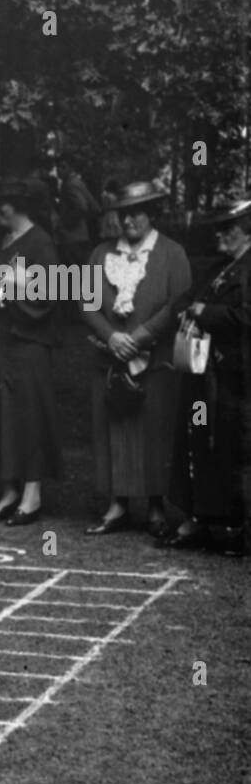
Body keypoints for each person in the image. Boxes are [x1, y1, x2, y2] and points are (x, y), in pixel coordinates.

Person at [81, 180, 191, 537]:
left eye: (137, 213)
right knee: (114, 427)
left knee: (154, 428)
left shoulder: (172, 253)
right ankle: (118, 504)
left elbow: (179, 303)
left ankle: (157, 506)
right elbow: (87, 302)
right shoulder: (100, 254)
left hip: (155, 357)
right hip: (110, 355)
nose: (129, 220)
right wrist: (112, 337)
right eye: (124, 213)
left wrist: (142, 337)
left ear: (152, 214)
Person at [162, 197, 251, 554]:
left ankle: (240, 529)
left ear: (247, 229)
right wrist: (190, 309)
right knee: (198, 440)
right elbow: (183, 302)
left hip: (238, 380)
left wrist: (205, 312)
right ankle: (199, 518)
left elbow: (246, 318)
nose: (220, 235)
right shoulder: (218, 268)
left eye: (227, 228)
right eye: (217, 229)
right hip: (203, 377)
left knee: (237, 450)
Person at [0, 177, 62, 525]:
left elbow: (52, 293)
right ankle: (8, 488)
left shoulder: (41, 243)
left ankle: (32, 493)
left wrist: (6, 291)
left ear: (20, 206)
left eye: (2, 203)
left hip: (26, 343)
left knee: (28, 417)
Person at [54, 154, 102, 264]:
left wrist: (66, 223)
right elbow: (93, 206)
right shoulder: (76, 182)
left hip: (73, 238)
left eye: (63, 167)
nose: (59, 170)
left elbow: (82, 207)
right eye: (57, 167)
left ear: (71, 168)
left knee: (75, 273)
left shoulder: (70, 184)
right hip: (80, 236)